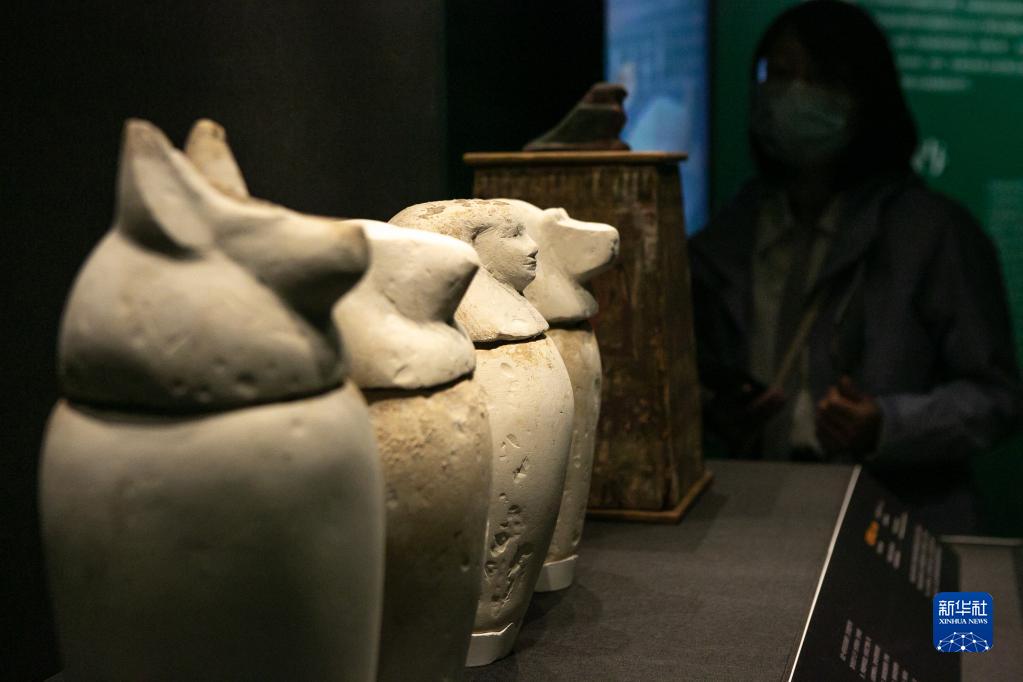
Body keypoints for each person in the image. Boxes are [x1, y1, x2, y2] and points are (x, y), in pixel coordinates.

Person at [690, 0, 1021, 529]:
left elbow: (995, 396)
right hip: (757, 516)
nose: (795, 94)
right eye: (780, 74)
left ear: (866, 96)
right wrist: (718, 407)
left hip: (898, 518)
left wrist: (887, 424)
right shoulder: (730, 232)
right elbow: (695, 372)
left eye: (821, 78)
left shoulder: (932, 231)